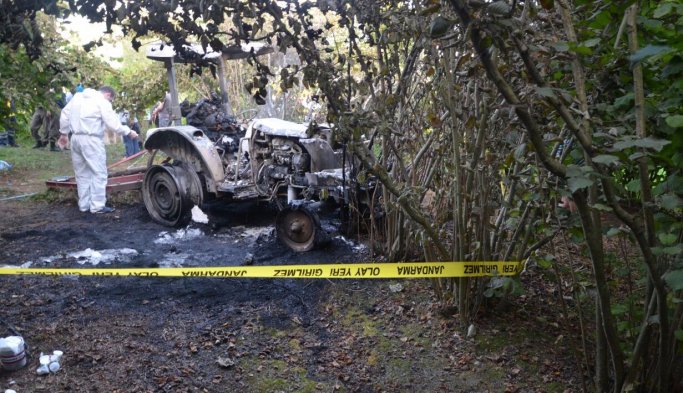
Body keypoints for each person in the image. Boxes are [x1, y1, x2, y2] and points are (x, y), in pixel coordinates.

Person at [58, 86, 138, 214]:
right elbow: (113, 123)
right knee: (99, 173)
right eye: (111, 100)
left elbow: (64, 114)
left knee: (81, 174)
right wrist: (128, 131)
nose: (110, 102)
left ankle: (84, 205)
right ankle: (97, 206)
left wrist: (63, 133)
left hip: (75, 139)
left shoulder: (77, 97)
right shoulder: (102, 102)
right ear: (107, 94)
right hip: (91, 139)